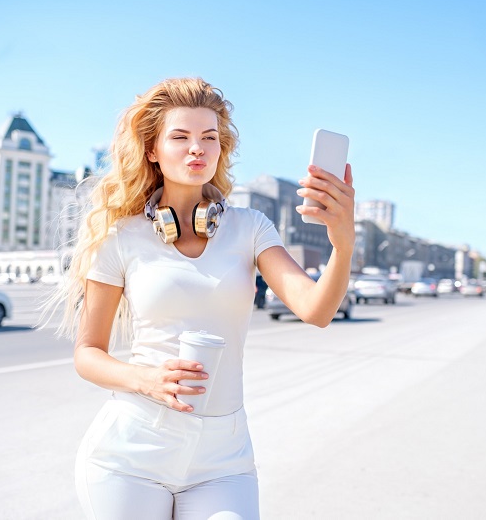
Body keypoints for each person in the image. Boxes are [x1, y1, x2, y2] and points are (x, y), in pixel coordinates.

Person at [52, 77, 354, 519]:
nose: (198, 148)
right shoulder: (121, 237)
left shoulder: (250, 227)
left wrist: (342, 244)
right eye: (180, 136)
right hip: (132, 453)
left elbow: (316, 310)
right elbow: (88, 354)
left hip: (222, 459)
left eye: (209, 138)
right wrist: (147, 379)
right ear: (152, 149)